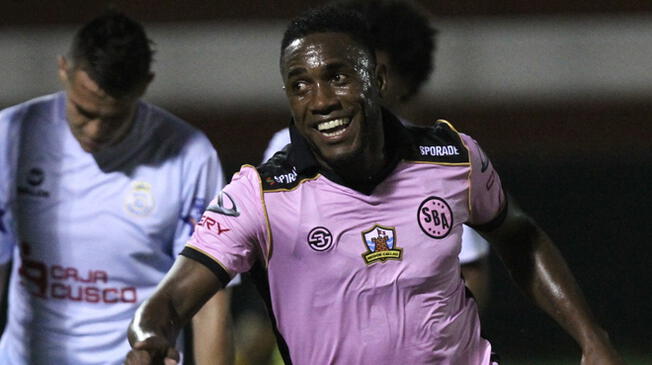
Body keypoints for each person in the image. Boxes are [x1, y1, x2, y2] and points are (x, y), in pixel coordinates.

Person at [126, 5, 624, 365]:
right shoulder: (259, 194)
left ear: (378, 81)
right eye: (300, 85)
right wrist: (150, 340)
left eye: (338, 77)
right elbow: (169, 300)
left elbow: (518, 233)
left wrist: (592, 338)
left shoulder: (451, 156)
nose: (320, 100)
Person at [0, 12, 234, 365]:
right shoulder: (12, 136)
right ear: (63, 69)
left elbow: (210, 304)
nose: (94, 132)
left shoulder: (190, 157)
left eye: (112, 118)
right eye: (82, 111)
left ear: (145, 86)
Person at [261, 0, 491, 311]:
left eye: (378, 71)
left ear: (398, 80)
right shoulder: (284, 150)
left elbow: (473, 268)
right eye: (343, 73)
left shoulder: (436, 158)